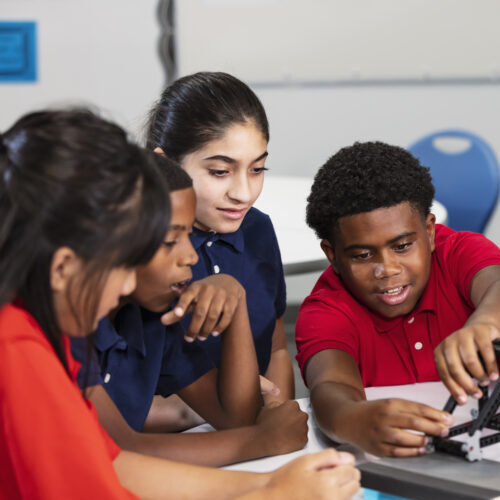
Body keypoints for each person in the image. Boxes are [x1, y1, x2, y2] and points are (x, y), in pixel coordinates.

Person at [0, 108, 360, 500]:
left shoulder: (46, 327)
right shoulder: (17, 352)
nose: (128, 282)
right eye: (125, 261)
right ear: (64, 267)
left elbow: (112, 460)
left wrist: (270, 485)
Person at [72, 156, 308, 467]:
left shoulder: (153, 316)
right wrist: (261, 441)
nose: (191, 257)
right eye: (172, 241)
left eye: (189, 236)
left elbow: (236, 417)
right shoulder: (68, 327)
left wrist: (236, 299)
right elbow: (116, 452)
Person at [295, 141, 500, 458]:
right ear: (332, 255)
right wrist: (353, 419)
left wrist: (486, 321)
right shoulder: (325, 310)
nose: (387, 270)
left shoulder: (459, 252)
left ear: (430, 232)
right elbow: (330, 388)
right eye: (363, 255)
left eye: (402, 246)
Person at [145, 72, 294, 407]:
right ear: (164, 163)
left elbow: (278, 349)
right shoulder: (145, 253)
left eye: (257, 170)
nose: (243, 194)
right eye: (219, 172)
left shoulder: (257, 229)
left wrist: (279, 413)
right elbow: (116, 403)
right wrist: (238, 415)